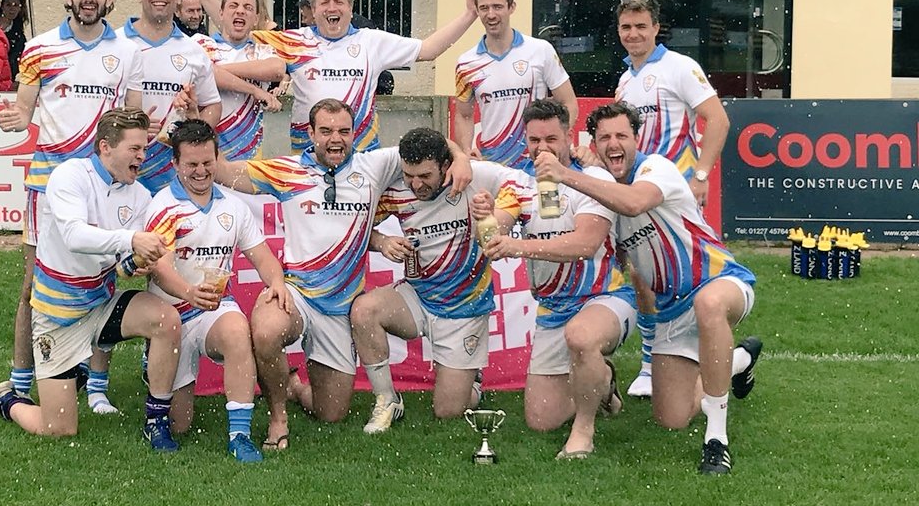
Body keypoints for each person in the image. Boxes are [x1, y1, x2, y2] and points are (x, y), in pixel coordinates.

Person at [214, 98, 471, 451]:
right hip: (298, 295)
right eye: (326, 131)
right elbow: (222, 171)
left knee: (330, 413)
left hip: (339, 313)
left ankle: (293, 386)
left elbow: (434, 145)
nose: (336, 139)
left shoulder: (376, 165)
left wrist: (460, 159)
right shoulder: (288, 170)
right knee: (267, 329)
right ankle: (278, 417)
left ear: (355, 133)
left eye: (344, 131)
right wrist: (191, 125)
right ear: (310, 133)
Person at [534, 101, 761, 475]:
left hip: (720, 281)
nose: (613, 143)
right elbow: (636, 274)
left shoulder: (657, 168)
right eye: (604, 137)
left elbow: (636, 202)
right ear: (593, 142)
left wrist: (564, 173)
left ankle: (716, 439)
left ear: (637, 140)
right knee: (671, 418)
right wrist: (651, 341)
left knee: (709, 303)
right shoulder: (602, 193)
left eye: (622, 135)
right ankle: (737, 361)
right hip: (671, 311)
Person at [0, 0, 144, 413]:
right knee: (32, 286)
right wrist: (18, 118)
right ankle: (21, 383)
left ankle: (96, 386)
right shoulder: (39, 48)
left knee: (105, 283)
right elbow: (25, 107)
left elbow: (134, 120)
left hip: (103, 187)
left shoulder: (128, 52)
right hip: (48, 185)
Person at [0, 108, 183, 451]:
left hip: (100, 307)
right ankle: (9, 400)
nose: (143, 156)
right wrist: (131, 241)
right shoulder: (69, 176)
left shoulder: (139, 195)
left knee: (167, 320)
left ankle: (157, 420)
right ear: (105, 147)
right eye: (135, 149)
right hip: (58, 317)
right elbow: (74, 237)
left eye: (144, 149)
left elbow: (122, 264)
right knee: (58, 428)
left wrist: (136, 263)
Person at [480, 99, 635, 459]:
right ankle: (602, 381)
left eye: (551, 138)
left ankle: (584, 432)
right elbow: (491, 241)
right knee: (540, 419)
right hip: (553, 308)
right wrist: (485, 219)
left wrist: (518, 246)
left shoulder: (593, 180)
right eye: (535, 140)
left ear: (569, 136)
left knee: (581, 337)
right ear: (525, 141)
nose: (543, 148)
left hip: (603, 298)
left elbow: (585, 244)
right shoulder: (519, 185)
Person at [143, 119, 288, 462]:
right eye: (191, 164)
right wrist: (188, 292)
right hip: (171, 316)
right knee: (179, 424)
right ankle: (154, 373)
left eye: (207, 162)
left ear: (216, 158)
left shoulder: (233, 206)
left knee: (238, 330)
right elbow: (159, 269)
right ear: (175, 163)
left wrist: (277, 282)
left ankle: (239, 436)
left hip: (213, 310)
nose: (200, 171)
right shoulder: (163, 207)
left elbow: (263, 257)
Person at [204, 0, 477, 153]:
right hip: (309, 155)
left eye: (338, 2)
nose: (331, 8)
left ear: (350, 8)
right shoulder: (294, 40)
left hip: (361, 152)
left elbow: (429, 49)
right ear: (313, 10)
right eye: (324, 3)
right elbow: (236, 26)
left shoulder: (372, 41)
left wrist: (469, 15)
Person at [352, 127, 511, 433]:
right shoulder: (398, 190)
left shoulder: (476, 176)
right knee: (363, 311)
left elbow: (520, 185)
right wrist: (383, 242)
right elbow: (353, 226)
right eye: (409, 174)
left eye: (425, 176)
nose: (415, 184)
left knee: (448, 412)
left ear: (445, 165)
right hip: (418, 297)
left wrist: (497, 212)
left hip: (464, 310)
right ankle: (387, 400)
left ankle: (471, 383)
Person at [613, 0, 731, 399]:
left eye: (641, 26)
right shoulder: (625, 79)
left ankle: (716, 362)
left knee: (692, 282)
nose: (634, 34)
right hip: (640, 197)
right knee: (643, 277)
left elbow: (717, 119)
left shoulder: (681, 67)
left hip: (675, 197)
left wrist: (700, 175)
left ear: (656, 28)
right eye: (626, 27)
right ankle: (650, 363)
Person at [454, 0, 578, 168]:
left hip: (537, 163)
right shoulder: (466, 63)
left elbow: (568, 102)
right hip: (494, 165)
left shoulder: (540, 50)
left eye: (498, 6)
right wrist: (465, 149)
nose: (491, 14)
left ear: (511, 7)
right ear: (477, 11)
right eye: (484, 8)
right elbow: (464, 115)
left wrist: (556, 143)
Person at [119, 0, 221, 195]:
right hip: (124, 174)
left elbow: (213, 104)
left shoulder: (193, 49)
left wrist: (196, 129)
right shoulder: (116, 44)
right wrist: (129, 125)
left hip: (176, 177)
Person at [194, 0, 285, 160]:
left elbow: (277, 70)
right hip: (204, 149)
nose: (240, 11)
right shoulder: (201, 44)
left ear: (256, 18)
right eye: (233, 6)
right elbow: (203, 73)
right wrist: (254, 90)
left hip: (248, 156)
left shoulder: (263, 51)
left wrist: (215, 72)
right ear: (221, 13)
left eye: (248, 8)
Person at [0, 0, 29, 82]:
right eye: (8, 5)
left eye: (16, 5)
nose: (12, 9)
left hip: (4, 79)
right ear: (2, 6)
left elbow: (15, 62)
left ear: (20, 8)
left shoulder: (19, 38)